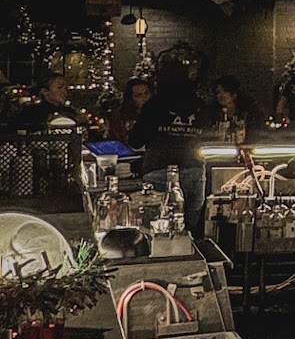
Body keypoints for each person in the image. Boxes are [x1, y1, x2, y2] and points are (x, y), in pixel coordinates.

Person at [129, 64, 210, 230]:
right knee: (190, 227)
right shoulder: (200, 106)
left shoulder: (154, 105)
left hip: (158, 169)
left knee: (158, 226)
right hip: (193, 169)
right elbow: (210, 135)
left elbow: (135, 140)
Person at [213, 74, 263, 143]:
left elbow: (256, 134)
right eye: (218, 92)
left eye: (224, 91)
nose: (220, 95)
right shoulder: (214, 114)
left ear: (234, 94)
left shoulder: (248, 114)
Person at [105, 77, 152, 146]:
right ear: (131, 98)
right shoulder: (120, 118)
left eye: (146, 93)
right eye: (139, 95)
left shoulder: (158, 114)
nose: (145, 98)